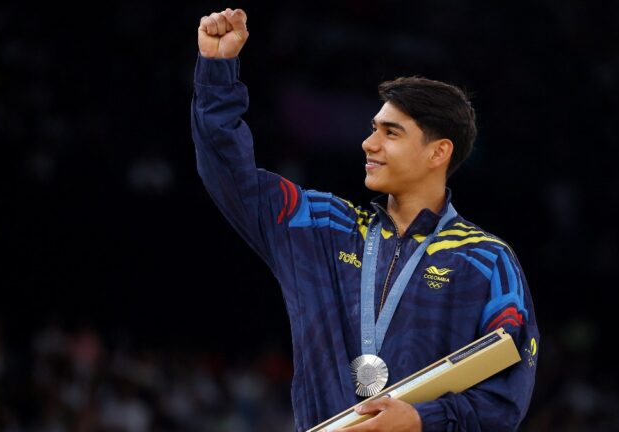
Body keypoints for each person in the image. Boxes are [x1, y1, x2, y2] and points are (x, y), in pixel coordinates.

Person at [192, 7, 539, 432]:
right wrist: (217, 70)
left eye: (390, 133)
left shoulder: (486, 261)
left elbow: (506, 395)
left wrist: (418, 419)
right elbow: (232, 179)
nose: (368, 142)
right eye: (374, 128)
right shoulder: (320, 227)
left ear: (438, 153)